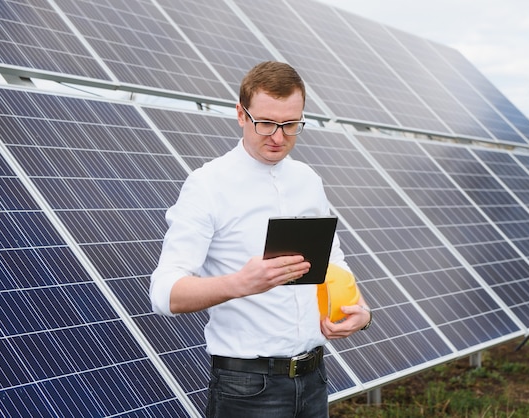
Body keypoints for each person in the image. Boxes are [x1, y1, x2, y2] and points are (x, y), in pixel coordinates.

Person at [150, 61, 372, 418]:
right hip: (248, 391)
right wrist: (240, 283)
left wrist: (360, 312)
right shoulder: (207, 185)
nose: (279, 137)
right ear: (241, 114)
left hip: (314, 380)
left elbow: (334, 263)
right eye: (266, 123)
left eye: (291, 124)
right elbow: (164, 293)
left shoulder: (308, 180)